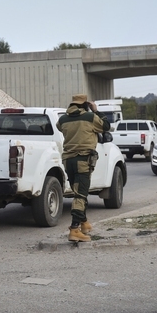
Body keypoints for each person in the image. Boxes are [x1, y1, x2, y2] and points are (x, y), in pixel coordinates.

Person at [56, 94, 110, 243]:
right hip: (83, 160)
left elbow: (60, 128)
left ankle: (84, 224)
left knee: (78, 191)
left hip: (68, 161)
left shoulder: (62, 120)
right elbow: (106, 126)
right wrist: (96, 110)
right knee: (80, 195)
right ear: (85, 105)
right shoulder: (89, 117)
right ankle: (74, 230)